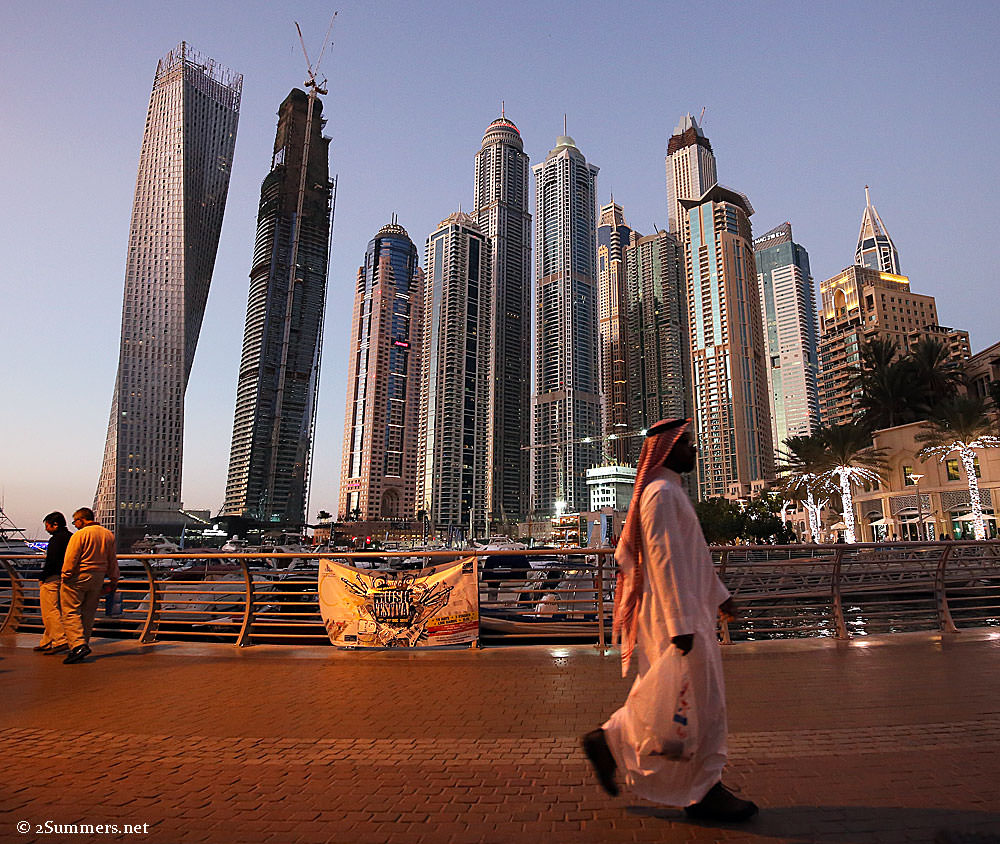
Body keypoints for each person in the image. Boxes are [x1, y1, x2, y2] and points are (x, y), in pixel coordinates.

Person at [581, 418, 758, 823]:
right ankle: (702, 790)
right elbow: (663, 561)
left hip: (689, 614)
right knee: (693, 704)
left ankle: (612, 742)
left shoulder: (670, 493)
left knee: (681, 703)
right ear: (667, 449)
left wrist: (721, 597)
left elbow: (693, 557)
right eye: (686, 444)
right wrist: (680, 625)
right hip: (676, 619)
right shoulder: (660, 494)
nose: (694, 451)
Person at [60, 507, 118, 665]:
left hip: (79, 576)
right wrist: (114, 579)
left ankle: (78, 645)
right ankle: (82, 643)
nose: (75, 525)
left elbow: (71, 557)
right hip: (98, 577)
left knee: (70, 611)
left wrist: (65, 575)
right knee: (89, 612)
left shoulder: (80, 535)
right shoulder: (107, 534)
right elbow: (112, 560)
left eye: (75, 522)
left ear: (81, 519)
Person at [34, 512, 72, 654]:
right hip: (66, 578)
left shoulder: (56, 540)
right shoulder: (70, 537)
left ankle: (60, 640)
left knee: (50, 610)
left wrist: (42, 577)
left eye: (47, 526)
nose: (46, 529)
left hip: (52, 578)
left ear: (54, 525)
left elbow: (52, 561)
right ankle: (47, 641)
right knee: (58, 609)